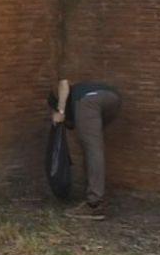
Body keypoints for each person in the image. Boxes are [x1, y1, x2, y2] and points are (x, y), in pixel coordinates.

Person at [48, 77, 123, 221]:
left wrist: (60, 111)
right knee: (94, 148)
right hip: (113, 98)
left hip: (88, 101)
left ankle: (94, 204)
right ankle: (94, 192)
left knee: (92, 150)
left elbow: (63, 82)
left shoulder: (70, 97)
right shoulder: (82, 89)